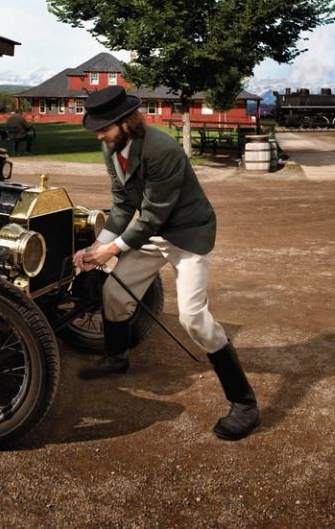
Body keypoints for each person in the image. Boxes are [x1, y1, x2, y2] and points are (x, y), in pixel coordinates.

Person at [73, 85, 260, 441]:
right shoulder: (110, 146)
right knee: (114, 291)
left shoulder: (163, 149)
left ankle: (245, 404)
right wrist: (94, 247)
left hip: (188, 235)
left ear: (126, 121)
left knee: (193, 317)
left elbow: (153, 216)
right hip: (151, 235)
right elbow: (123, 205)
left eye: (104, 126)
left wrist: (111, 252)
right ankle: (117, 357)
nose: (99, 133)